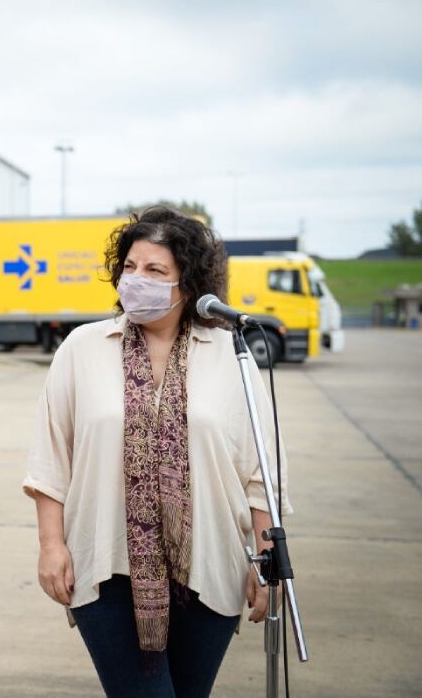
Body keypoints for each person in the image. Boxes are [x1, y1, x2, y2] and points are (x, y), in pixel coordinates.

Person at [23, 206, 291, 697]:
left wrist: (266, 556)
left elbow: (261, 474)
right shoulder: (83, 347)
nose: (136, 280)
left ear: (187, 284)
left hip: (209, 569)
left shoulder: (230, 356)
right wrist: (50, 545)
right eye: (129, 267)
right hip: (106, 566)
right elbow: (51, 456)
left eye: (154, 271)